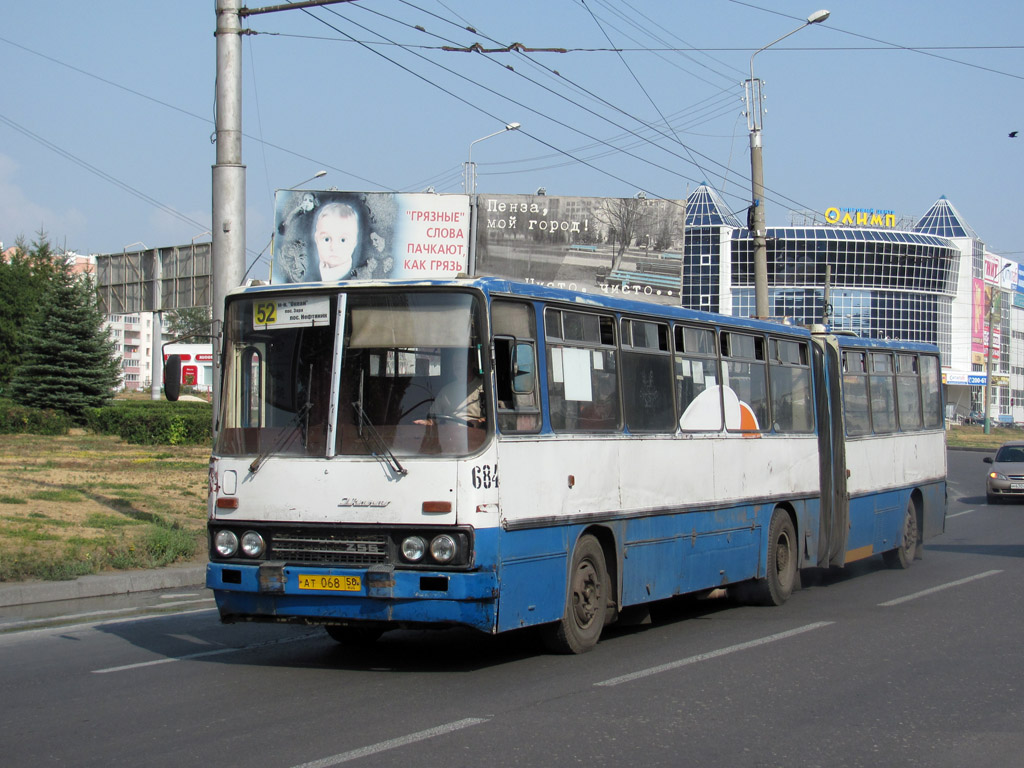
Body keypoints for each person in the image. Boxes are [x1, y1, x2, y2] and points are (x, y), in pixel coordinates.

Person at [416, 357, 485, 428]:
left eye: (461, 362)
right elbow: (433, 417)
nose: (457, 366)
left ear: (472, 364)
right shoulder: (446, 390)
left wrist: (478, 422)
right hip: (449, 433)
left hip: (475, 434)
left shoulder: (484, 387)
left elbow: (492, 418)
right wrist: (426, 422)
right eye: (455, 363)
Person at [314, 202, 360, 280]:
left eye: (343, 240)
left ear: (354, 242)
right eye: (326, 239)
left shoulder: (357, 277)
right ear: (317, 240)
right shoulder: (310, 275)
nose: (334, 247)